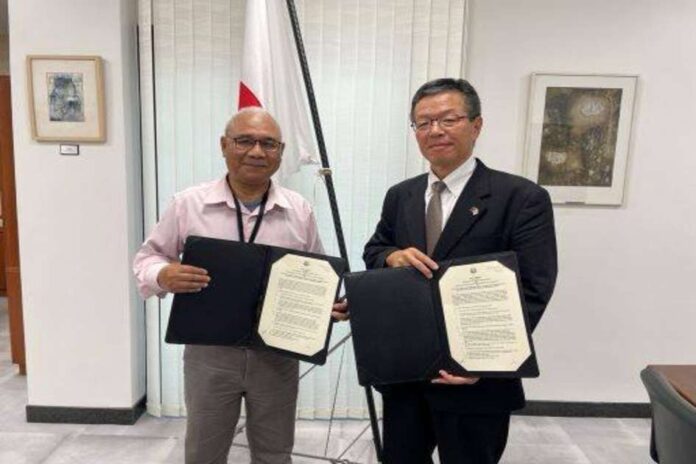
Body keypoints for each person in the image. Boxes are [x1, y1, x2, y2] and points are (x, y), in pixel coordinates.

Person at [133, 107, 347, 464]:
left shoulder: (299, 210)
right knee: (204, 453)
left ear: (281, 151)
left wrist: (328, 304)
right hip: (209, 354)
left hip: (277, 354)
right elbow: (147, 258)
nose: (256, 152)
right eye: (244, 141)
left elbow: (317, 273)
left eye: (268, 143)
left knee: (274, 453)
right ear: (224, 145)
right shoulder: (189, 204)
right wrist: (163, 274)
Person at [363, 78, 558, 464]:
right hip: (405, 373)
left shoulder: (521, 198)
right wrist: (392, 256)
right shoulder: (400, 195)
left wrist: (485, 360)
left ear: (476, 125)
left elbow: (533, 287)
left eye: (448, 119)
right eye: (423, 122)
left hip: (475, 381)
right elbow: (375, 250)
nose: (435, 130)